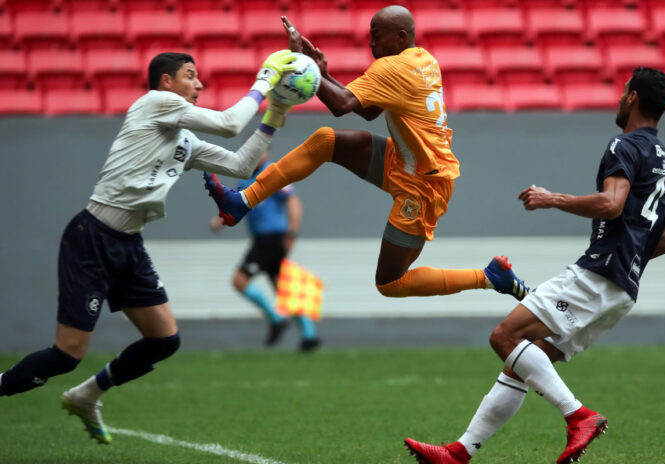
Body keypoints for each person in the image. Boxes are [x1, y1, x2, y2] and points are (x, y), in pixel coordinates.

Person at [0, 50, 298, 444]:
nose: (200, 84)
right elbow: (228, 124)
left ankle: (86, 396)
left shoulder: (184, 138)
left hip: (127, 244)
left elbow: (242, 165)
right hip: (91, 238)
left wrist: (276, 112)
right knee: (67, 354)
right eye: (191, 76)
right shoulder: (155, 104)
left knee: (164, 340)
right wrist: (266, 79)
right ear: (166, 83)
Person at [404, 67, 665, 464]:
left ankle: (579, 416)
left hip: (599, 273)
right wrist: (636, 255)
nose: (618, 97)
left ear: (632, 98)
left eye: (622, 91)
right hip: (623, 288)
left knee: (504, 337)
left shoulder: (624, 146)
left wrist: (551, 198)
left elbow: (612, 204)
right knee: (522, 362)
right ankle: (459, 452)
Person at [202, 5, 530, 304]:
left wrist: (308, 70)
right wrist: (323, 73)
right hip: (406, 162)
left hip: (423, 186)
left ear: (400, 37)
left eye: (376, 37)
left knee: (390, 283)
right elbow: (369, 112)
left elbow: (341, 105)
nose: (371, 44)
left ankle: (488, 278)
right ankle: (241, 202)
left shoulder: (392, 68)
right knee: (325, 142)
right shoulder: (424, 59)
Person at [210, 151, 321, 352]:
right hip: (263, 239)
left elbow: (293, 202)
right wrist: (221, 220)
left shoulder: (274, 172)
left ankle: (277, 319)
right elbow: (237, 206)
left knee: (239, 281)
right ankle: (309, 334)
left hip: (271, 239)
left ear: (266, 153)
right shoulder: (244, 179)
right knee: (282, 287)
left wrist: (291, 234)